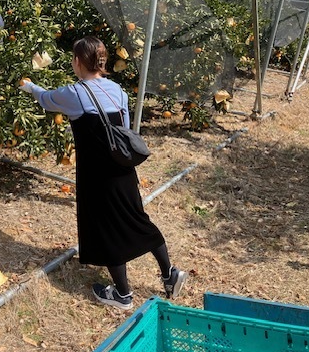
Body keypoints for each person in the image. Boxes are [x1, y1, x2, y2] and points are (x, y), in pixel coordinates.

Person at [18, 35, 186, 310]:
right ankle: (169, 274)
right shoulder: (117, 90)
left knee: (105, 228)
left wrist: (29, 86)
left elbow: (46, 100)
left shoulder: (75, 93)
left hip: (97, 174)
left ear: (77, 61)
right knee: (137, 219)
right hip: (123, 168)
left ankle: (123, 295)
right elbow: (125, 128)